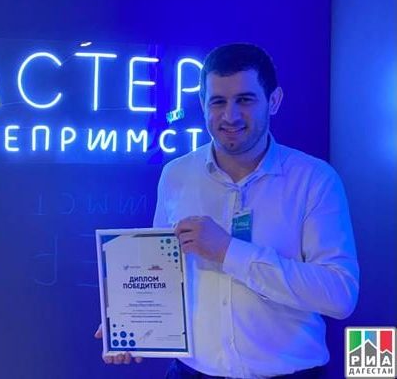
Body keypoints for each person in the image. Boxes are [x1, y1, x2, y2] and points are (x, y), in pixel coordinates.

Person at [96, 43, 359, 378]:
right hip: (191, 372)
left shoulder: (314, 180)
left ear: (274, 100)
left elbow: (340, 294)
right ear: (202, 103)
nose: (230, 116)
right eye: (218, 102)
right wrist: (128, 320)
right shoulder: (177, 175)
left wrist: (228, 251)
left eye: (245, 100)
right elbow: (161, 271)